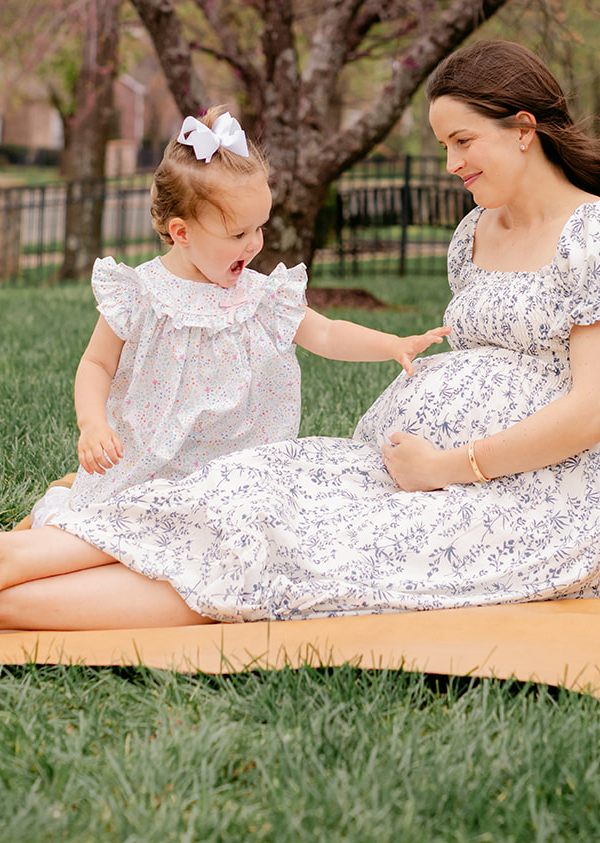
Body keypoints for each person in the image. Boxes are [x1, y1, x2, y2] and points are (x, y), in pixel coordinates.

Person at [0, 42, 600, 639]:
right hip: (411, 471)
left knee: (281, 554)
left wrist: (446, 467)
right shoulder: (478, 234)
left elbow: (593, 411)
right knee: (247, 485)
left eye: (463, 142)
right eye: (445, 145)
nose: (451, 164)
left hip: (533, 498)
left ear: (523, 129)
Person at [28, 105, 446, 529]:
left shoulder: (260, 297)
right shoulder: (141, 295)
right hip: (154, 463)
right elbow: (97, 364)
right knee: (121, 526)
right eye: (238, 234)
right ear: (182, 232)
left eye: (259, 228)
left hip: (240, 468)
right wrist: (93, 423)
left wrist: (392, 345)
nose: (254, 245)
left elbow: (326, 332)